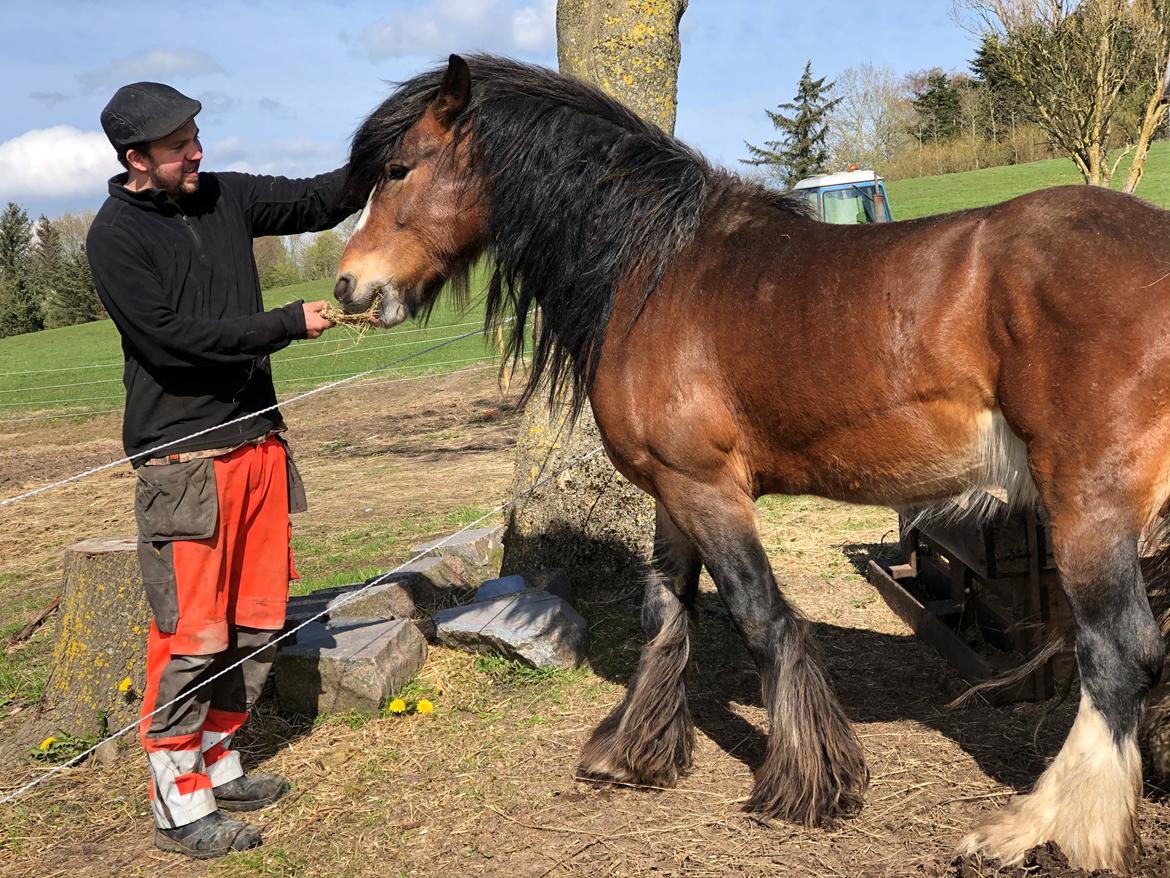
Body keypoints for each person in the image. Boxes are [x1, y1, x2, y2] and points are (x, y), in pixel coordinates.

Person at [86, 82, 357, 859]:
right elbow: (172, 340)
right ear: (136, 159)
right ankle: (177, 802)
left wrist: (393, 141)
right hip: (185, 464)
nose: (195, 150)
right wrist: (287, 325)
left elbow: (324, 196)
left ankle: (218, 760)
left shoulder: (225, 197)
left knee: (254, 622)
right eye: (177, 146)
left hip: (257, 446)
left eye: (195, 134)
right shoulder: (114, 237)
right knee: (191, 635)